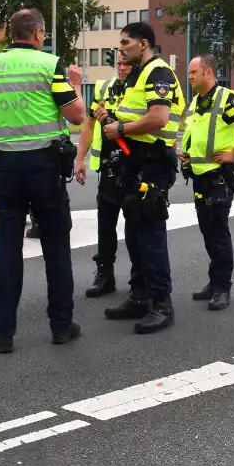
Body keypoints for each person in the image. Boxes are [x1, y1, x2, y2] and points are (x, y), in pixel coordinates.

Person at [0, 8, 87, 354]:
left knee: (7, 249)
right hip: (45, 166)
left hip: (6, 168)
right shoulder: (49, 64)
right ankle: (61, 326)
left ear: (9, 35)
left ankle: (3, 334)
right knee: (56, 247)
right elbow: (76, 115)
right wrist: (75, 84)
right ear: (39, 34)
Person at [101, 22, 185, 334]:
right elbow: (135, 115)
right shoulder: (138, 75)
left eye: (126, 42)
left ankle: (162, 305)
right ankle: (139, 296)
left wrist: (120, 128)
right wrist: (112, 121)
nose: (121, 48)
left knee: (150, 235)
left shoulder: (158, 72)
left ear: (144, 43)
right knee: (135, 233)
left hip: (153, 163)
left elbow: (158, 118)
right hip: (135, 162)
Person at [179, 54, 234, 311]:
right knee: (208, 231)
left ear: (208, 73)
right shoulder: (197, 101)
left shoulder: (226, 98)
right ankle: (214, 283)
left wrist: (233, 154)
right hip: (200, 176)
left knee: (218, 232)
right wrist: (187, 151)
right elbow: (197, 132)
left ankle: (223, 288)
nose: (189, 76)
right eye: (189, 72)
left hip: (219, 177)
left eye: (193, 72)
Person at [74, 52, 134, 297]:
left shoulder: (142, 88)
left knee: (136, 229)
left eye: (125, 63)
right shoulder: (105, 88)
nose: (120, 67)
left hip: (134, 168)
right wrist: (80, 158)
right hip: (108, 168)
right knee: (105, 226)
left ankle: (138, 281)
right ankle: (105, 274)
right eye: (117, 63)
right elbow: (88, 124)